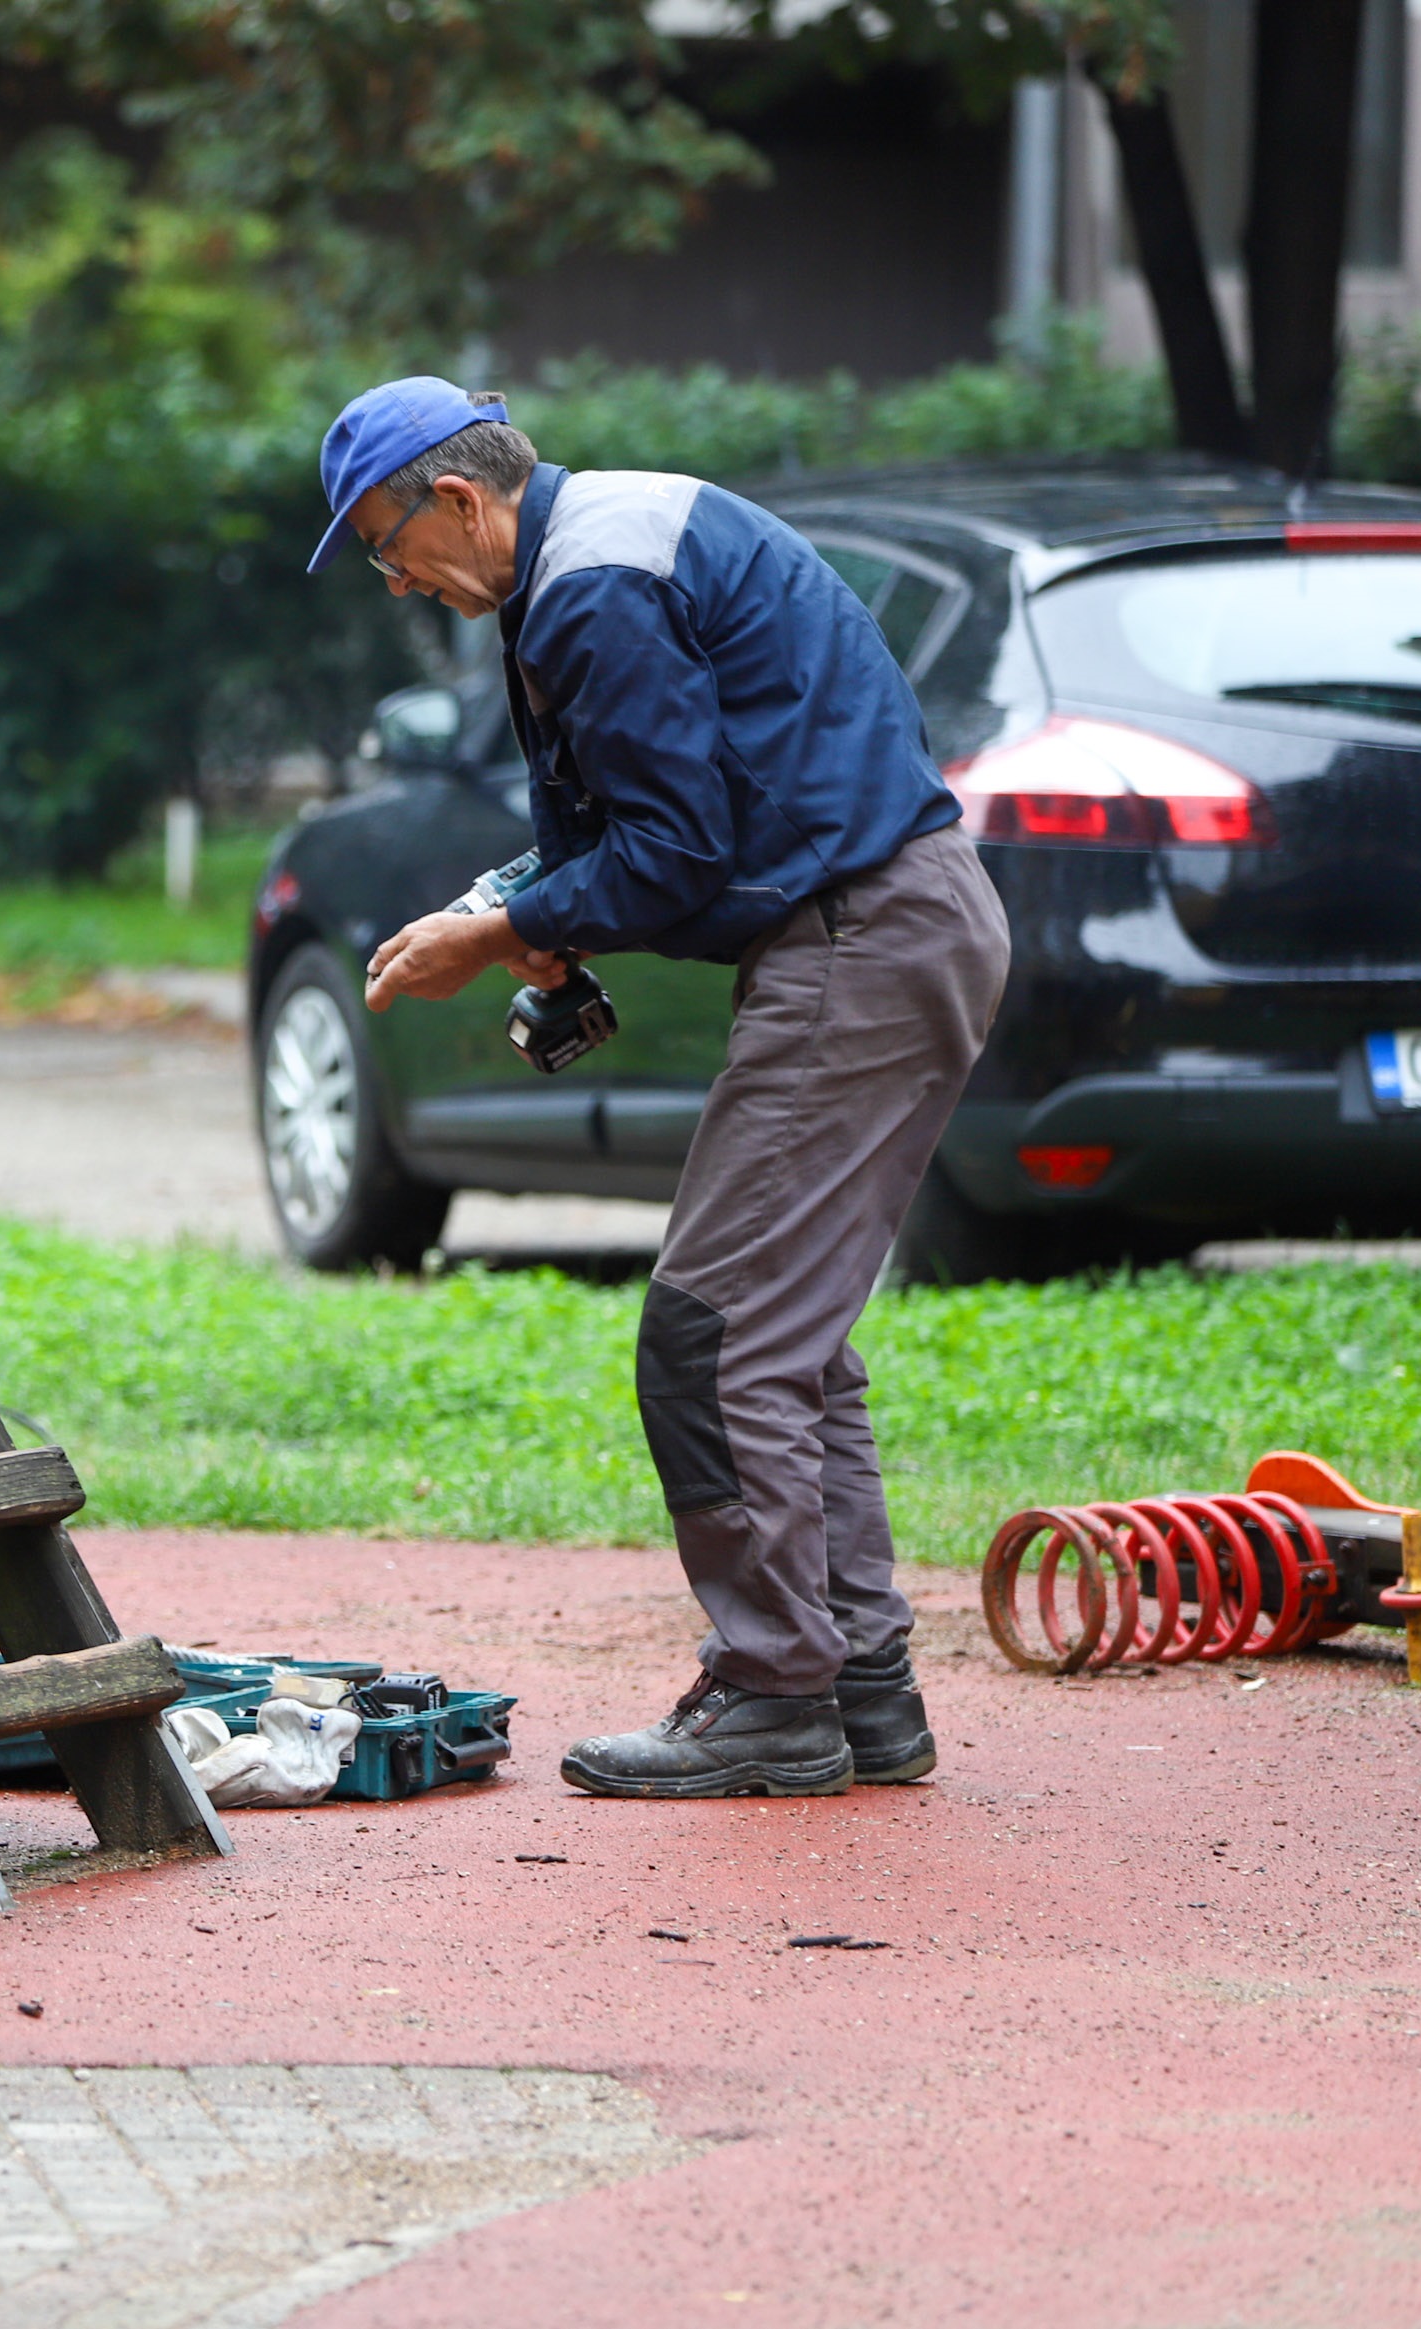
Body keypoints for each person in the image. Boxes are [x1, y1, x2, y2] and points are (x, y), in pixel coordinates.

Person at [317, 378, 1009, 1797]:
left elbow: (681, 852)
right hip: (894, 922)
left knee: (708, 1338)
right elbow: (637, 818)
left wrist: (497, 933)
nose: (395, 580)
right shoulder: (589, 554)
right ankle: (861, 1688)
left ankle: (776, 1695)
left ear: (459, 500)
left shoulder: (588, 592)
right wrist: (524, 901)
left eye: (389, 544)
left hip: (862, 941)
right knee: (790, 1345)